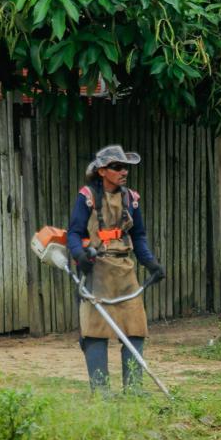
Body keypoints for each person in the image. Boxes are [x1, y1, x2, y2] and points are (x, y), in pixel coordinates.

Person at [66, 145, 165, 392]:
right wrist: (80, 256)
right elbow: (74, 234)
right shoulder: (87, 196)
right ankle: (101, 393)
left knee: (136, 328)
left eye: (126, 167)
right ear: (102, 171)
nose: (124, 172)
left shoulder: (131, 199)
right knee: (95, 332)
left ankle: (134, 390)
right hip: (96, 269)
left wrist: (151, 263)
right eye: (117, 167)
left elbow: (138, 236)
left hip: (125, 269)